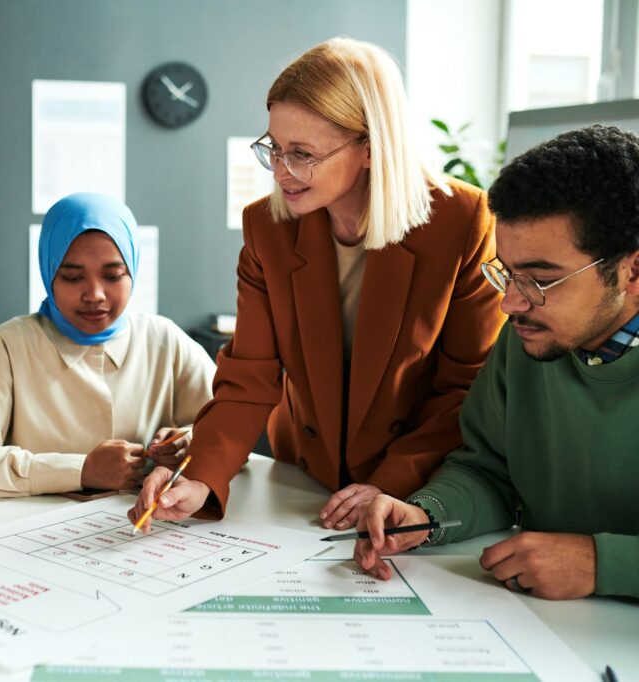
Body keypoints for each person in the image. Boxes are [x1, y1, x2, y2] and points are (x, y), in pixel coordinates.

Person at [129, 37, 504, 532]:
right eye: (275, 149)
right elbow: (250, 377)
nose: (282, 172)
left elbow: (467, 387)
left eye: (302, 154)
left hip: (415, 477)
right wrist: (201, 477)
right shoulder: (267, 226)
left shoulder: (461, 220)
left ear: (370, 149)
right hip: (305, 474)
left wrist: (390, 481)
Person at [354, 125, 639, 601]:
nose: (510, 304)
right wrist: (427, 516)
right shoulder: (528, 339)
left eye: (540, 281)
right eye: (507, 272)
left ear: (632, 272)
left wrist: (603, 564)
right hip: (544, 629)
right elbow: (488, 470)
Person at [0, 192, 215, 497]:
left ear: (132, 270)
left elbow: (227, 430)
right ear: (48, 272)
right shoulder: (7, 347)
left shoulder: (165, 341)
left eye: (113, 275)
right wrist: (80, 470)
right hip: (34, 532)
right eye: (72, 277)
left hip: (149, 528)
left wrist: (189, 443)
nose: (94, 294)